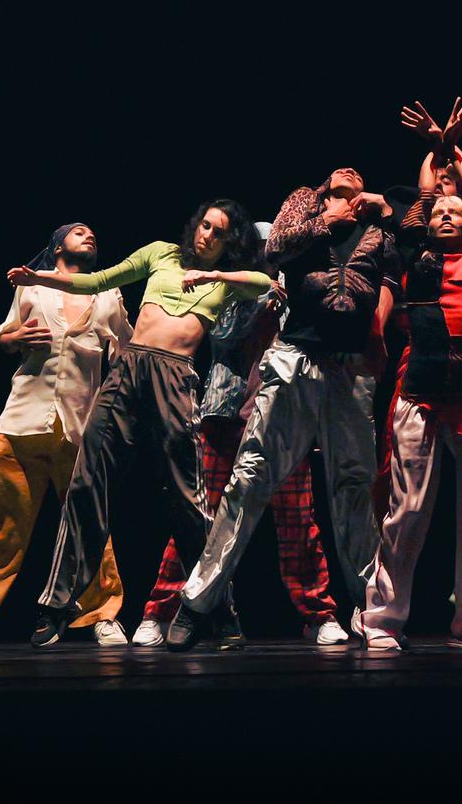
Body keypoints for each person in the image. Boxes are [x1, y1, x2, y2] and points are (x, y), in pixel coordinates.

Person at [8, 200, 272, 648]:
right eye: (205, 225)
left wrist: (214, 276)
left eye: (219, 232)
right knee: (86, 482)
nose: (207, 235)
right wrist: (40, 278)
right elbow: (98, 280)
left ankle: (216, 609)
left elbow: (262, 282)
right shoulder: (160, 253)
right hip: (128, 371)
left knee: (188, 500)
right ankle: (57, 604)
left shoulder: (224, 281)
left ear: (229, 242)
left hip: (174, 377)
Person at [178, 168, 399, 648]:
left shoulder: (378, 226)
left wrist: (383, 208)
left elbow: (400, 263)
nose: (348, 169)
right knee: (250, 477)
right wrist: (329, 218)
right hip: (296, 355)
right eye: (338, 172)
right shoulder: (306, 201)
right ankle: (196, 603)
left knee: (355, 484)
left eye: (356, 172)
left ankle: (373, 611)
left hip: (349, 367)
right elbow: (277, 247)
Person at [133, 227, 349, 648]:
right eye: (264, 248)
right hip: (227, 417)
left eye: (276, 248)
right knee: (199, 519)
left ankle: (319, 614)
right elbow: (219, 338)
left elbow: (318, 347)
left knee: (298, 523)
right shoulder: (230, 283)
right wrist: (258, 305)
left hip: (285, 420)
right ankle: (160, 611)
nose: (270, 254)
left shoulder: (301, 285)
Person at [0, 223, 132, 649]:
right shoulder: (31, 286)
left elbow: (127, 350)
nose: (89, 236)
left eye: (92, 233)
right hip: (22, 420)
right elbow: (6, 338)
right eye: (78, 232)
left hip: (79, 425)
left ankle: (101, 614)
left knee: (88, 526)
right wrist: (13, 338)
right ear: (57, 246)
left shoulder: (107, 294)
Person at [360, 140, 462, 650]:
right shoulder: (414, 254)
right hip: (421, 384)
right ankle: (382, 619)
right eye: (439, 213)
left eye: (455, 213)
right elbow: (420, 202)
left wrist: (455, 152)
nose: (447, 215)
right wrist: (436, 148)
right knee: (407, 506)